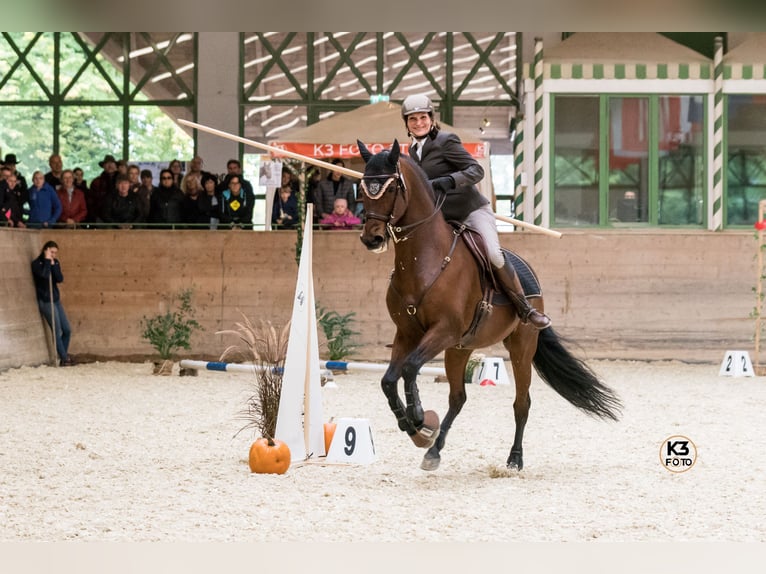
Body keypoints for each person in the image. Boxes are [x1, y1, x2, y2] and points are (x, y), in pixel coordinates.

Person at [401, 93, 550, 329]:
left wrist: (448, 181)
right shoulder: (411, 154)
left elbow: (475, 170)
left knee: (492, 253)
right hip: (442, 219)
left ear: (431, 118)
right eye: (413, 119)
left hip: (470, 211)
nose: (418, 123)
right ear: (407, 123)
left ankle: (524, 307)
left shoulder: (446, 141)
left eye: (422, 117)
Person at [31, 240, 74, 366]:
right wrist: (47, 261)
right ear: (46, 250)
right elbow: (44, 275)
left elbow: (59, 278)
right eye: (52, 252)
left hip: (55, 299)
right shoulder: (37, 264)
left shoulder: (55, 262)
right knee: (57, 330)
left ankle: (63, 356)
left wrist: (53, 264)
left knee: (67, 330)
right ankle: (65, 358)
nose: (54, 255)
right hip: (46, 300)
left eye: (55, 253)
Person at [88, 154, 118, 224]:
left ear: (116, 166)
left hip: (119, 217)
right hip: (101, 217)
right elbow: (91, 201)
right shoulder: (96, 182)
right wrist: (95, 216)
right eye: (107, 163)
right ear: (103, 166)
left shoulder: (122, 181)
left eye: (112, 163)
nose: (110, 166)